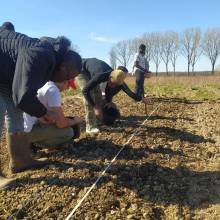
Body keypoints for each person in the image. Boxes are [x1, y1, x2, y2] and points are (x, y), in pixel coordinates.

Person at [0, 27, 82, 189]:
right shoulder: (41, 55)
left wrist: (40, 113)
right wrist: (43, 112)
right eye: (68, 78)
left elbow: (20, 96)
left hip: (5, 76)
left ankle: (21, 161)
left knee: (15, 114)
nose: (67, 82)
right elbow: (23, 96)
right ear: (63, 67)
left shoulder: (52, 56)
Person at [76, 58, 148, 134]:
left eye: (115, 85)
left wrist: (141, 99)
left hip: (93, 70)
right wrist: (95, 106)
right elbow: (85, 91)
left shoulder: (118, 77)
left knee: (98, 96)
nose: (113, 86)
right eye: (112, 83)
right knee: (90, 98)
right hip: (82, 70)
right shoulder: (100, 76)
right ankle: (90, 126)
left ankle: (97, 119)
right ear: (110, 77)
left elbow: (128, 92)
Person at [23, 79, 82, 149]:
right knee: (69, 132)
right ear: (64, 82)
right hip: (27, 132)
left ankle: (33, 141)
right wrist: (75, 121)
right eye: (68, 86)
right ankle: (37, 144)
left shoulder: (45, 83)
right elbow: (61, 124)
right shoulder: (53, 91)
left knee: (64, 123)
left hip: (23, 127)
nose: (67, 89)